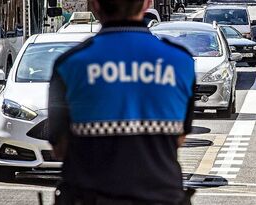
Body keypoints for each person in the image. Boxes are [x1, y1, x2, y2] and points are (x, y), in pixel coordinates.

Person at [48, 0, 196, 204]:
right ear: (147, 4)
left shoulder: (69, 64)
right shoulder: (181, 62)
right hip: (162, 196)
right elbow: (179, 138)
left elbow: (59, 148)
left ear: (95, 5)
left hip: (89, 197)